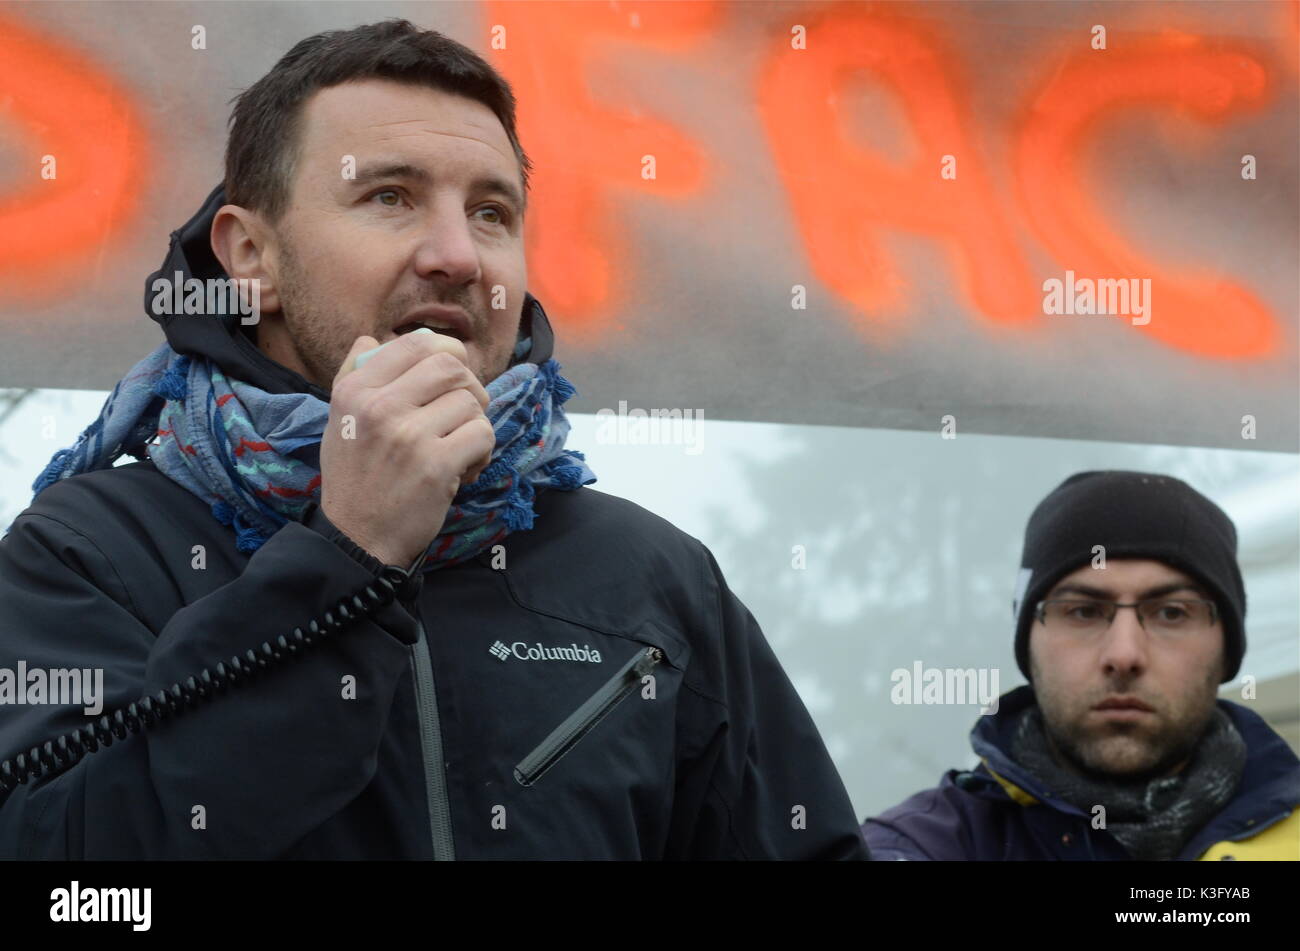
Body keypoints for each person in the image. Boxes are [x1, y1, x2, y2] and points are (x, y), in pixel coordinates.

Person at [0, 19, 866, 860]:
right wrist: (348, 557)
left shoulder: (655, 580)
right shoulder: (87, 553)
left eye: (492, 213)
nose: (458, 255)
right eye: (390, 196)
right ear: (250, 258)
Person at [863, 470, 1300, 860]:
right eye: (1083, 611)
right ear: (1028, 645)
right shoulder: (923, 847)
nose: (1124, 655)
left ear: (1228, 648)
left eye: (1171, 612)